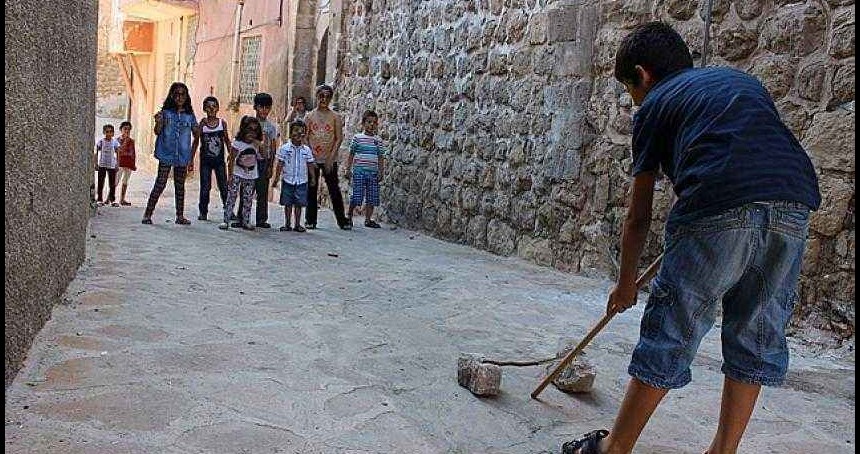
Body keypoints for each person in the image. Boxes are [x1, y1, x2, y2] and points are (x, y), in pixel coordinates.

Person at [560, 22, 821, 454]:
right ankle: (724, 450)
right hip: (792, 202)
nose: (634, 100)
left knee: (671, 329)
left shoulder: (655, 104)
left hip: (717, 204)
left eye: (630, 90)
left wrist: (626, 283)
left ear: (642, 75)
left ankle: (614, 449)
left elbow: (638, 216)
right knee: (755, 333)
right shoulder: (740, 82)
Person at [142, 82, 200, 225]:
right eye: (177, 94)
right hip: (166, 153)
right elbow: (157, 131)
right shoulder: (165, 113)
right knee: (160, 183)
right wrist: (159, 122)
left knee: (180, 186)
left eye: (183, 94)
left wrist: (191, 156)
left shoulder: (189, 116)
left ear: (187, 97)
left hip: (182, 155)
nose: (180, 97)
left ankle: (180, 216)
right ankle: (147, 214)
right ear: (172, 96)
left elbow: (197, 134)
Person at [304, 84, 351, 230]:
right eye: (321, 96)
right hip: (313, 157)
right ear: (317, 96)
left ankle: (341, 220)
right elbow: (305, 137)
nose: (323, 99)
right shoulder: (309, 116)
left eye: (327, 96)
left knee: (334, 189)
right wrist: (310, 156)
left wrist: (331, 158)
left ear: (330, 99)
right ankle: (310, 219)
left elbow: (338, 138)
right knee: (312, 187)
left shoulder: (335, 117)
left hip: (329, 158)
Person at [236, 92, 279, 228]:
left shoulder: (271, 127)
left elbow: (272, 147)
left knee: (262, 191)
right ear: (255, 107)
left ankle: (261, 219)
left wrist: (270, 165)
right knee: (246, 189)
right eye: (262, 107)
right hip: (249, 160)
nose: (264, 111)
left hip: (263, 162)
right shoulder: (248, 124)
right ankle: (241, 217)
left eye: (267, 108)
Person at [272, 120, 316, 232]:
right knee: (288, 203)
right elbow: (280, 164)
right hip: (288, 180)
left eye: (302, 132)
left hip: (302, 181)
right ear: (290, 133)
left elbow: (310, 164)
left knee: (299, 204)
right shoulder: (284, 149)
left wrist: (313, 178)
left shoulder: (307, 150)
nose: (299, 133)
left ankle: (297, 224)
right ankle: (287, 223)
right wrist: (276, 178)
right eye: (296, 131)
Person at [220, 115, 263, 231]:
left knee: (248, 198)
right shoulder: (237, 143)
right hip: (237, 174)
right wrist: (230, 176)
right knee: (232, 197)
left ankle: (246, 220)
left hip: (251, 175)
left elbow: (261, 156)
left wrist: (258, 144)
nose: (252, 133)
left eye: (255, 130)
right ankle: (226, 220)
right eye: (249, 129)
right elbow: (231, 159)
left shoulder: (256, 144)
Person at [344, 110, 385, 228]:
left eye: (374, 122)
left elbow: (381, 157)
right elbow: (351, 154)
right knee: (357, 196)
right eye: (369, 122)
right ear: (363, 123)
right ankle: (349, 215)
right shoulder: (357, 138)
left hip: (373, 173)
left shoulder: (378, 141)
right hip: (359, 172)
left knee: (372, 197)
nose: (372, 125)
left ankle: (368, 219)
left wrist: (381, 172)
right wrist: (348, 169)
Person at [197, 96, 231, 221]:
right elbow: (196, 141)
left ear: (217, 108)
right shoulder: (202, 124)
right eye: (208, 107)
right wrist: (190, 159)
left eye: (214, 106)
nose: (211, 109)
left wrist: (231, 154)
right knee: (205, 187)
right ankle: (203, 211)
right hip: (205, 161)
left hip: (219, 161)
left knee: (223, 186)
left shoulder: (222, 124)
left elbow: (227, 140)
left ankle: (228, 210)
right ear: (204, 109)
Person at [95, 124, 120, 207]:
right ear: (104, 132)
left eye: (110, 132)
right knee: (101, 182)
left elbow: (118, 152)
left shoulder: (115, 142)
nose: (108, 134)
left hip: (112, 165)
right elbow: (96, 152)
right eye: (107, 132)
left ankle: (112, 200)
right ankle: (99, 199)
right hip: (102, 164)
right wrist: (96, 163)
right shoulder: (101, 142)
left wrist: (117, 164)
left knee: (112, 183)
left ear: (113, 133)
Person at [116, 121, 136, 206]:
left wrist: (133, 164)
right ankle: (109, 198)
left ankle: (122, 199)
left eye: (128, 129)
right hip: (120, 163)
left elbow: (133, 153)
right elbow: (118, 151)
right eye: (125, 129)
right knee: (115, 181)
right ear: (121, 130)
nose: (127, 131)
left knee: (125, 182)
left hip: (128, 163)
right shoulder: (117, 140)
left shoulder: (131, 141)